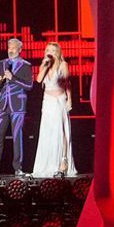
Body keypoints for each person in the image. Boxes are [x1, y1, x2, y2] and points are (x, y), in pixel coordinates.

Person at [0, 38, 33, 176]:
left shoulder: (26, 65)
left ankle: (17, 168)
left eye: (13, 47)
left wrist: (13, 78)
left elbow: (29, 85)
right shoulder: (2, 63)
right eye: (9, 47)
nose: (10, 50)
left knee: (16, 137)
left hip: (17, 105)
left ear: (20, 49)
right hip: (3, 105)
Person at [32, 42, 77, 177]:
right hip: (47, 102)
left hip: (59, 100)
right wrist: (45, 65)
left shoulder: (63, 65)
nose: (49, 52)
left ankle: (63, 161)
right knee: (48, 131)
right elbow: (39, 80)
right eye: (48, 50)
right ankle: (47, 163)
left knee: (61, 130)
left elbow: (67, 83)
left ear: (57, 52)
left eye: (52, 50)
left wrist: (69, 99)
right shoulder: (45, 65)